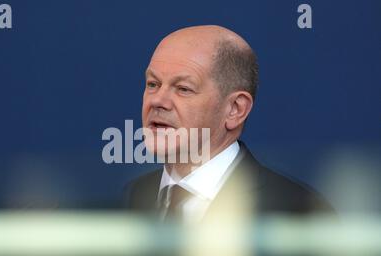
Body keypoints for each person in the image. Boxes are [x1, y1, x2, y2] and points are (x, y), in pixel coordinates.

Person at [124, 25, 334, 223]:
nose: (158, 101)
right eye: (153, 84)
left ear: (235, 109)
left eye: (183, 89)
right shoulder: (134, 196)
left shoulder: (299, 212)